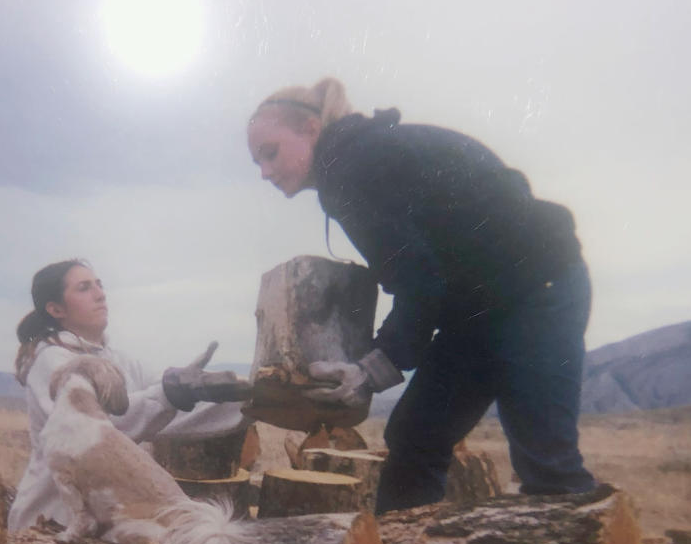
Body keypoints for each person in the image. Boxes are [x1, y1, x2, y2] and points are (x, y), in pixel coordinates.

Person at [246, 77, 597, 513]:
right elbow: (422, 275)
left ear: (311, 129)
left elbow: (418, 280)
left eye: (270, 152)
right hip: (478, 309)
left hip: (537, 290)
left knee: (548, 465)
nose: (264, 171)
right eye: (257, 161)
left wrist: (371, 370)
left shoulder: (356, 168)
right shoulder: (361, 158)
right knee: (414, 437)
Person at [7, 258, 247, 532]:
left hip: (104, 522)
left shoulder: (121, 361)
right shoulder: (52, 361)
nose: (100, 294)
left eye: (99, 284)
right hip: (50, 522)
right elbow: (96, 432)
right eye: (84, 288)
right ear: (56, 309)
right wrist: (172, 393)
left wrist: (252, 401)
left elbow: (173, 408)